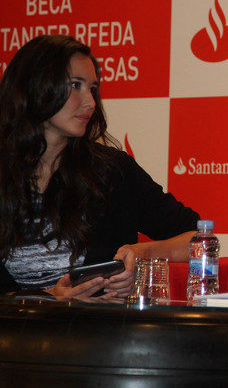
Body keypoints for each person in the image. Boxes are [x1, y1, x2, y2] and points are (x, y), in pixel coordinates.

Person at [0, 35, 200, 297]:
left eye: (92, 88)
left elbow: (201, 240)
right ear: (35, 87)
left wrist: (143, 253)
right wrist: (47, 300)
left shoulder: (112, 171)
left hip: (100, 332)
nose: (90, 103)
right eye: (75, 85)